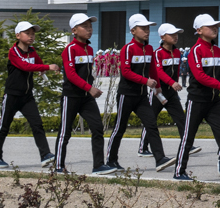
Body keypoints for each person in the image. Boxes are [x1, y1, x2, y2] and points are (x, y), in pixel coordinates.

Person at [175, 14, 220, 183]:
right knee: (188, 137)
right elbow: (200, 76)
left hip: (213, 101)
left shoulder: (217, 50)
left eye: (216, 26)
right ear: (199, 31)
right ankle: (179, 171)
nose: (215, 29)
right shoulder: (196, 51)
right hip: (197, 100)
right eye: (210, 26)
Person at [104, 14, 170, 171]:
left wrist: (157, 86)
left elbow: (153, 69)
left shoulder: (149, 49)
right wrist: (145, 81)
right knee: (119, 128)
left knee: (151, 124)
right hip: (126, 95)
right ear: (133, 30)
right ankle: (111, 160)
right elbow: (126, 72)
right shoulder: (128, 49)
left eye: (148, 28)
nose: (147, 31)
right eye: (143, 28)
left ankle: (160, 159)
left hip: (141, 97)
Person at [0, 20, 58, 169]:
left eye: (33, 33)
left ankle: (45, 155)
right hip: (12, 95)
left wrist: (42, 70)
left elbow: (37, 63)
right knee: (4, 126)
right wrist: (48, 66)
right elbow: (25, 66)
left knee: (37, 124)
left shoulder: (32, 51)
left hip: (27, 96)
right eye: (27, 33)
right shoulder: (13, 51)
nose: (31, 36)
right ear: (18, 35)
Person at [56, 12, 110, 176]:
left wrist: (89, 88)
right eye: (84, 26)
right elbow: (71, 75)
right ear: (74, 30)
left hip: (86, 98)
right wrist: (90, 88)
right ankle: (58, 166)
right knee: (65, 132)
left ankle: (98, 165)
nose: (89, 29)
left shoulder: (90, 48)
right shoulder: (70, 50)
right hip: (71, 96)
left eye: (90, 26)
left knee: (97, 128)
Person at [144, 22, 188, 156]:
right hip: (159, 91)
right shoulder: (158, 53)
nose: (175, 37)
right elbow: (158, 71)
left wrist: (175, 83)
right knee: (151, 119)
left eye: (176, 34)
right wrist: (171, 82)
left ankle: (187, 143)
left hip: (171, 92)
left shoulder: (176, 52)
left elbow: (176, 70)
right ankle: (143, 148)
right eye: (172, 34)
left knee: (181, 118)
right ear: (163, 37)